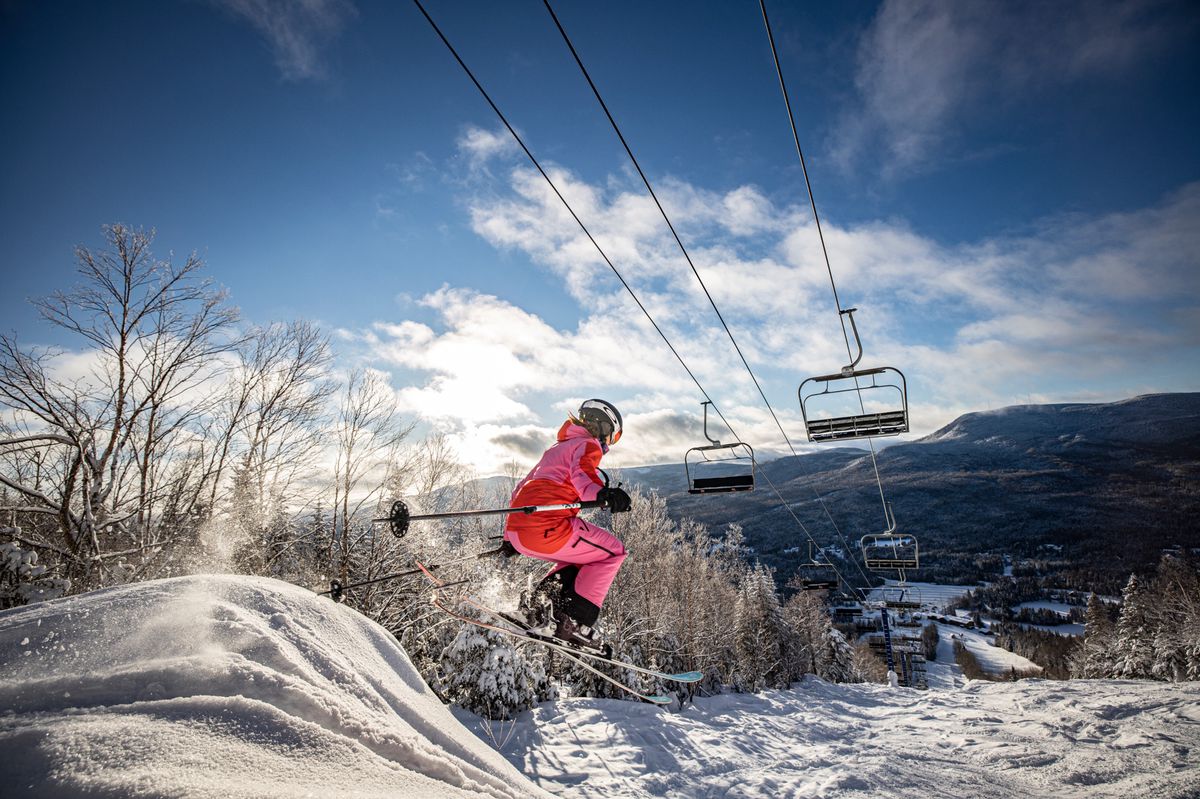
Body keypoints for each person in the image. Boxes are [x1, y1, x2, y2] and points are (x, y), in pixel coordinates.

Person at [503, 398, 632, 647]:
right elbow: (582, 473)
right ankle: (573, 622)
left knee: (579, 555)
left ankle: (540, 605)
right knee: (614, 552)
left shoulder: (555, 449)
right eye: (613, 438)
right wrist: (602, 495)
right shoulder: (587, 445)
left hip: (519, 533)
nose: (609, 444)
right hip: (547, 529)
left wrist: (510, 539)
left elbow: (520, 489)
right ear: (605, 429)